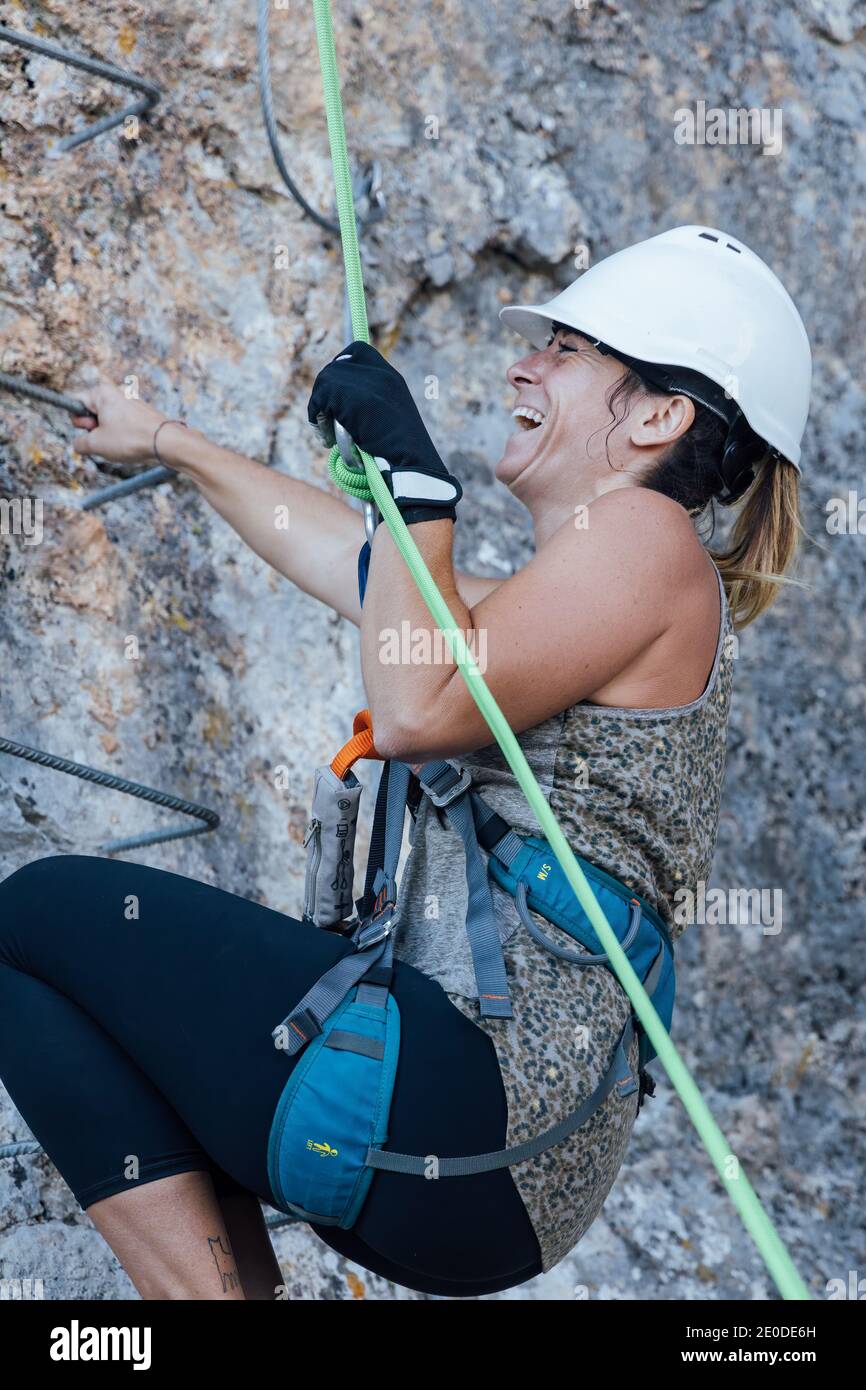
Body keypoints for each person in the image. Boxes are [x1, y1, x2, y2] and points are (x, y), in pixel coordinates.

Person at [0, 226, 810, 1299]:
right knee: (47, 978)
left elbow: (417, 703)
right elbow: (353, 560)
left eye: (566, 351)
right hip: (480, 1173)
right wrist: (171, 441)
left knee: (40, 909)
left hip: (472, 1098)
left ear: (659, 416)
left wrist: (416, 481)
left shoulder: (646, 539)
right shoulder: (580, 596)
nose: (523, 363)